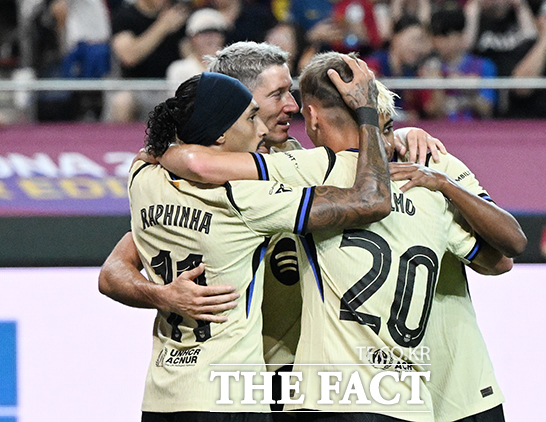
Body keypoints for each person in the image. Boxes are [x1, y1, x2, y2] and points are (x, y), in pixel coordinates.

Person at [148, 52, 524, 421]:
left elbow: (199, 163)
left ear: (314, 117)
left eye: (293, 94)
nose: (291, 106)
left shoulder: (308, 169)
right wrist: (159, 294)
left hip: (351, 390)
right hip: (395, 395)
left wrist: (158, 153)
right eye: (277, 94)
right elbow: (501, 257)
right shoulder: (423, 178)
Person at [128, 59, 392, 420]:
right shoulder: (245, 197)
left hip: (163, 395)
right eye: (252, 117)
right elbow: (371, 201)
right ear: (220, 135)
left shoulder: (142, 176)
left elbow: (167, 160)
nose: (261, 129)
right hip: (232, 394)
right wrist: (369, 117)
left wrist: (172, 151)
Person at [108, 0, 188, 122]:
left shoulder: (176, 15)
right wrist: (163, 26)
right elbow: (129, 57)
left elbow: (190, 56)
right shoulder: (125, 16)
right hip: (136, 89)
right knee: (122, 101)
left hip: (170, 88)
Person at [430, 6, 498, 120]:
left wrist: (467, 89)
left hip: (473, 129)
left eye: (445, 36)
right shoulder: (429, 68)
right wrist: (437, 84)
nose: (439, 42)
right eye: (436, 36)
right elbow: (433, 112)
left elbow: (486, 109)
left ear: (461, 35)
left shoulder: (484, 66)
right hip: (441, 129)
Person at [166, 8, 228, 94]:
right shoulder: (180, 69)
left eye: (216, 31)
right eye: (203, 33)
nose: (210, 37)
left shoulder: (233, 68)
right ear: (192, 38)